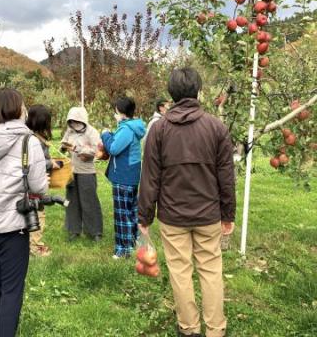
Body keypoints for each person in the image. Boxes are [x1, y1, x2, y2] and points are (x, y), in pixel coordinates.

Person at [138, 66, 236, 337]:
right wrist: (228, 214)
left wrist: (144, 217)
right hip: (208, 214)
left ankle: (189, 328)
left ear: (171, 94)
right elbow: (226, 177)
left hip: (173, 216)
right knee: (211, 270)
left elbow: (150, 177)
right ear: (198, 90)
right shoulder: (216, 126)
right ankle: (216, 330)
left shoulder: (159, 130)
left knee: (180, 271)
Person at [0, 88, 48, 337]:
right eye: (23, 105)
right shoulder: (28, 141)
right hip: (11, 226)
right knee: (11, 289)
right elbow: (38, 186)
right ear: (16, 109)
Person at [101, 96, 146, 259]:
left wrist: (105, 134)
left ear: (121, 113)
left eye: (116, 112)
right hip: (131, 175)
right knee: (131, 211)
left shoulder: (126, 129)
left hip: (123, 177)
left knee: (122, 214)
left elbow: (113, 148)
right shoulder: (132, 126)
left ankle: (123, 250)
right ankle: (133, 242)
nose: (115, 114)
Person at [61, 106, 103, 242]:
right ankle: (74, 229)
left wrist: (79, 149)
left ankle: (95, 231)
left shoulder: (92, 132)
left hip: (87, 171)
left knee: (89, 201)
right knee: (71, 201)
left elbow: (98, 150)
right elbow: (64, 142)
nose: (74, 124)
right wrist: (64, 146)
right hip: (72, 171)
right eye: (72, 121)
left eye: (77, 121)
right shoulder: (69, 131)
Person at [26, 104, 59, 257]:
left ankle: (31, 244)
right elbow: (34, 162)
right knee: (39, 213)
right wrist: (50, 163)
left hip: (33, 182)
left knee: (34, 212)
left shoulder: (34, 136)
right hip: (36, 183)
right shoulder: (34, 139)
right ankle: (35, 247)